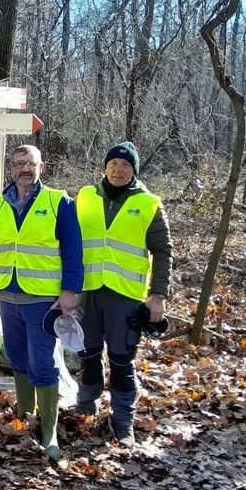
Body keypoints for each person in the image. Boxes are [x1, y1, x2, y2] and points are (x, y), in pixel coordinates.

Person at [0, 144, 83, 460]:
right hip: (8, 295)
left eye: (30, 163)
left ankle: (48, 432)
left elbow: (73, 251)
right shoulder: (0, 204)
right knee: (17, 356)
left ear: (41, 166)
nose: (25, 168)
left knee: (44, 361)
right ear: (11, 169)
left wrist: (69, 291)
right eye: (19, 163)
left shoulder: (58, 202)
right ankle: (25, 415)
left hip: (43, 299)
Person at [74, 141, 173, 447]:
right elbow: (66, 242)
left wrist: (158, 296)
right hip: (87, 292)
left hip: (125, 294)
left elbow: (163, 251)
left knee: (121, 360)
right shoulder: (84, 196)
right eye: (114, 164)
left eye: (126, 165)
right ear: (105, 167)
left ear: (134, 170)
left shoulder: (148, 204)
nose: (119, 170)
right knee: (87, 355)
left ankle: (122, 421)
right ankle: (85, 410)